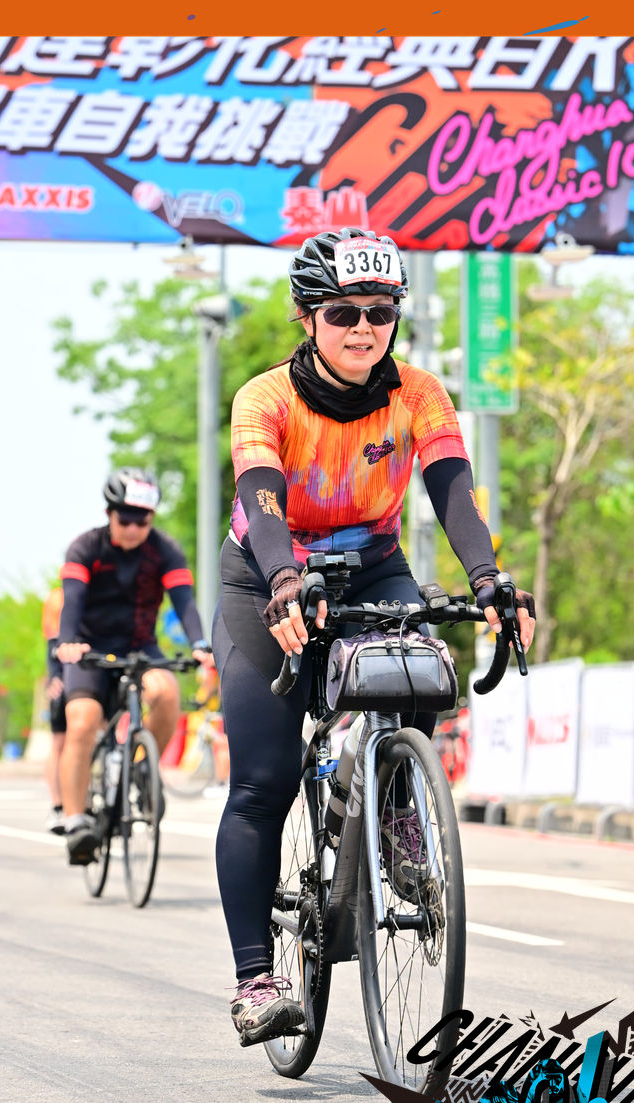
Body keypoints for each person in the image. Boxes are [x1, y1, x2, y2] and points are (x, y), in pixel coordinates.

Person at [211, 227, 536, 1046]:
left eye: (381, 312)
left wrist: (488, 578)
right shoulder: (265, 398)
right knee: (262, 782)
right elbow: (261, 499)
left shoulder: (418, 393)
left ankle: (394, 813)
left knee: (418, 667)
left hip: (372, 567)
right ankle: (255, 981)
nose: (364, 328)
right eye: (344, 312)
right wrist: (285, 578)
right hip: (268, 578)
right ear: (307, 317)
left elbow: (453, 490)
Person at [56, 467, 213, 865]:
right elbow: (72, 600)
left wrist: (199, 643)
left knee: (166, 692)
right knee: (82, 721)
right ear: (109, 514)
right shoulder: (85, 547)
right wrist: (68, 641)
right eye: (124, 519)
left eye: (141, 521)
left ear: (151, 519)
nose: (132, 528)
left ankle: (143, 770)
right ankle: (75, 821)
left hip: (140, 646)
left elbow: (184, 601)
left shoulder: (165, 550)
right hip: (89, 648)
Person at [41, 585, 67, 835]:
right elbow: (52, 641)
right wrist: (55, 676)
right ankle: (58, 806)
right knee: (59, 742)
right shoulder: (58, 598)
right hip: (64, 670)